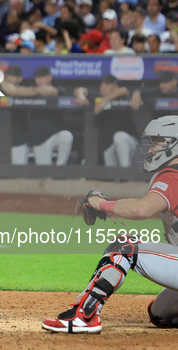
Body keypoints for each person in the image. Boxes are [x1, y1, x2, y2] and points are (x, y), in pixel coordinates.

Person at [42, 115, 178, 333]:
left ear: (174, 143)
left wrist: (100, 204)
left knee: (124, 247)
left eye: (157, 142)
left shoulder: (172, 175)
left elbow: (141, 209)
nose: (152, 149)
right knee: (160, 313)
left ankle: (84, 317)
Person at [75, 75, 138, 167]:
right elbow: (80, 89)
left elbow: (123, 90)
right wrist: (80, 95)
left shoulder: (121, 96)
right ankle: (121, 176)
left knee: (119, 137)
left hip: (130, 143)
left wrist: (105, 101)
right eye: (101, 85)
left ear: (115, 85)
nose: (102, 88)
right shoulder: (98, 97)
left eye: (106, 84)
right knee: (112, 175)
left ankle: (126, 173)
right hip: (110, 147)